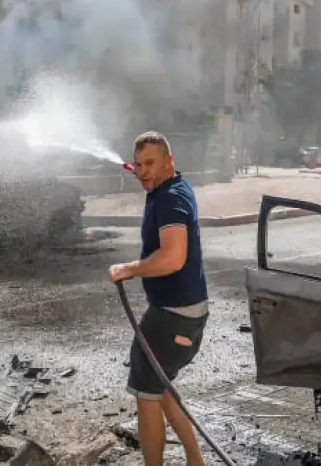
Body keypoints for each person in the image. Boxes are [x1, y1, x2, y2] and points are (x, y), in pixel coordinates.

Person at [109, 131, 209, 466]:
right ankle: (196, 460)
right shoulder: (172, 187)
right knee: (163, 389)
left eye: (150, 163)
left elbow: (172, 258)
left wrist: (129, 268)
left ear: (170, 160)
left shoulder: (169, 200)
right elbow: (153, 176)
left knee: (146, 393)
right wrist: (146, 173)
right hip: (185, 311)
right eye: (138, 165)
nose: (142, 171)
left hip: (173, 316)